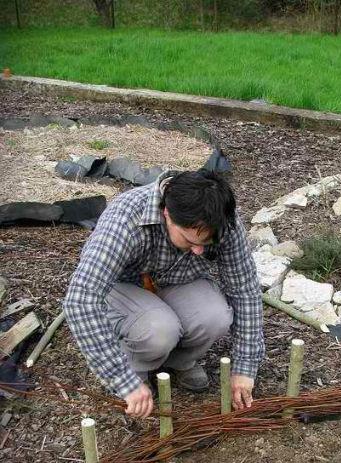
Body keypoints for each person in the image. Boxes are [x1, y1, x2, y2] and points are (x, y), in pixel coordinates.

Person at [63, 169, 264, 418]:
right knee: (158, 330)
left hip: (176, 281)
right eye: (190, 241)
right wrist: (121, 378)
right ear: (167, 213)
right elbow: (81, 300)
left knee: (215, 317)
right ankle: (134, 367)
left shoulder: (221, 218)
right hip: (124, 287)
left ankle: (177, 361)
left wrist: (245, 366)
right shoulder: (126, 217)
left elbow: (244, 289)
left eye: (206, 243)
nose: (200, 251)